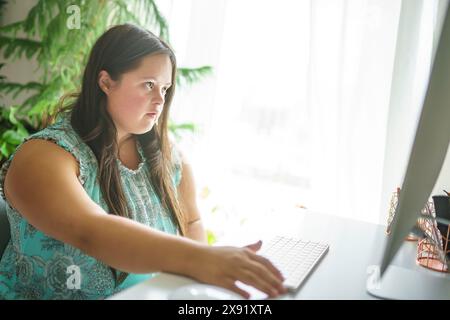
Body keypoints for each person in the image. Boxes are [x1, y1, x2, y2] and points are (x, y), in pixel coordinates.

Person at [0, 24, 286, 300]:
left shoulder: (169, 159)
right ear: (105, 82)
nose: (159, 100)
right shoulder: (43, 156)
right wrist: (203, 259)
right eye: (148, 85)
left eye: (164, 88)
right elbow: (91, 232)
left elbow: (192, 222)